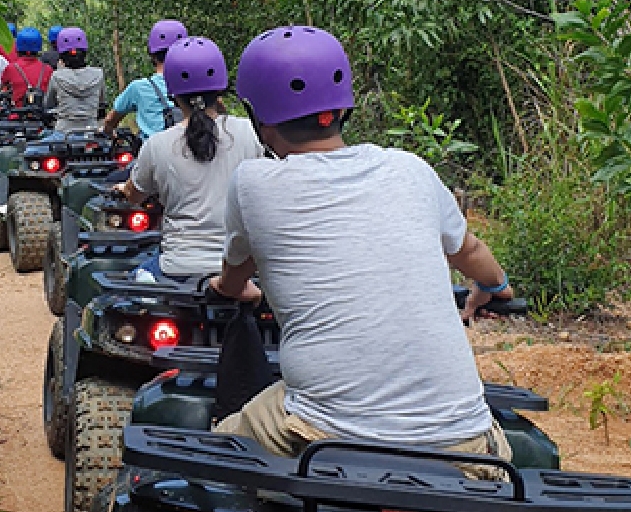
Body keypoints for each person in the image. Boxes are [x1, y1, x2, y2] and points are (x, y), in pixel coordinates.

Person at [207, 25, 516, 479]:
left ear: (258, 118)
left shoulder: (253, 184)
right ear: (342, 105)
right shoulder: (410, 169)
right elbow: (468, 249)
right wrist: (497, 286)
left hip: (320, 435)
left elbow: (235, 276)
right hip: (466, 447)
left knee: (220, 447)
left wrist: (226, 288)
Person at [115, 37, 263, 281]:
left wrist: (124, 188)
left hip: (179, 268)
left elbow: (135, 195)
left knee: (131, 285)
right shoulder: (251, 132)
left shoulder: (157, 145)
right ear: (220, 89)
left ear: (172, 93)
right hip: (240, 270)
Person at [102, 19, 187, 142]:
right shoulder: (197, 84)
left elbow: (110, 120)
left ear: (152, 55)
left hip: (152, 156)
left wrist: (108, 132)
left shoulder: (138, 88)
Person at [45, 26, 105, 131]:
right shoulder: (98, 74)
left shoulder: (57, 76)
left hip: (63, 132)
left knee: (31, 148)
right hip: (91, 131)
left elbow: (49, 104)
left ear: (62, 55)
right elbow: (102, 104)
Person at [1, 26, 53, 107]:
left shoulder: (11, 68)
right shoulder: (47, 69)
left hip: (17, 115)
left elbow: (4, 87)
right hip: (41, 115)